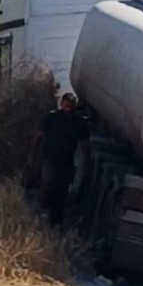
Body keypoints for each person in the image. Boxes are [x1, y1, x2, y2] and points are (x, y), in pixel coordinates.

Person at [32, 90, 92, 228]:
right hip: (49, 159)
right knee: (47, 183)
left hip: (66, 162)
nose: (68, 108)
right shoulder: (52, 118)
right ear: (61, 103)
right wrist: (33, 156)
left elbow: (85, 145)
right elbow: (38, 136)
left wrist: (86, 164)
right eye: (66, 104)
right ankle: (42, 210)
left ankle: (56, 221)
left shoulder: (78, 123)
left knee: (62, 191)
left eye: (71, 105)